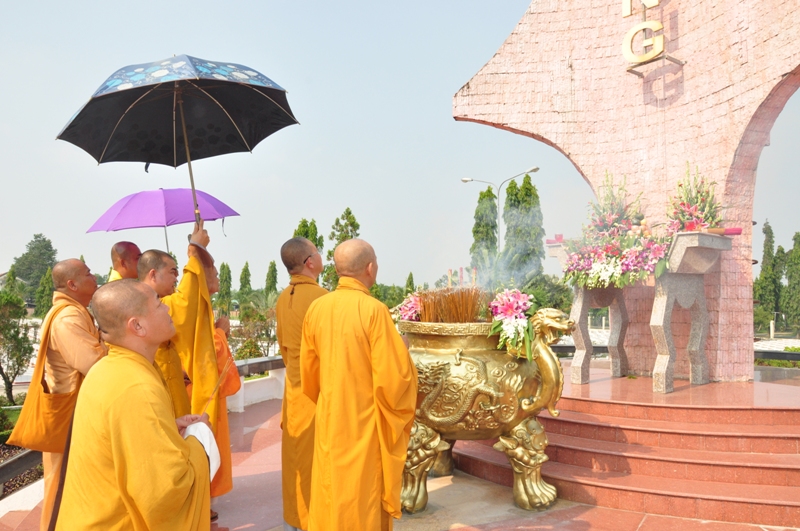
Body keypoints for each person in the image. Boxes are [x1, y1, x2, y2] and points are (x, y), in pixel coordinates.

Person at [55, 280, 219, 531]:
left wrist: (166, 428)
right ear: (137, 326)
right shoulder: (136, 387)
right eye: (158, 304)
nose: (167, 308)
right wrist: (200, 439)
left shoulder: (106, 368)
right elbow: (166, 493)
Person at [300, 239, 417, 531]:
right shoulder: (374, 310)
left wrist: (332, 399)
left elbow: (309, 375)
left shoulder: (316, 308)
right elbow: (394, 381)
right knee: (361, 497)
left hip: (330, 421)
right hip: (363, 425)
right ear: (370, 268)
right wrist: (403, 351)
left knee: (330, 492)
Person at [8, 259, 107, 531]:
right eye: (88, 273)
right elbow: (93, 363)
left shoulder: (76, 312)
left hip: (77, 413)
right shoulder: (67, 318)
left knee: (77, 484)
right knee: (62, 487)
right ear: (72, 284)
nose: (94, 276)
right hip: (70, 415)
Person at [138, 221, 219, 433]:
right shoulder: (144, 305)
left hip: (173, 383)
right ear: (153, 274)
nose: (176, 278)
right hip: (155, 387)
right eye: (173, 272)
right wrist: (195, 251)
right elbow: (185, 303)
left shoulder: (160, 301)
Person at [276, 237, 327, 531]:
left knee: (294, 464)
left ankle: (294, 522)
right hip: (315, 394)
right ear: (310, 262)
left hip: (292, 393)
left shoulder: (284, 297)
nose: (321, 257)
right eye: (317, 252)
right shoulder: (322, 299)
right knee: (315, 466)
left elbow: (284, 348)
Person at [204, 265, 241, 500]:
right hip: (199, 388)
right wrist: (220, 332)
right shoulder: (197, 309)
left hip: (208, 387)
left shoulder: (205, 306)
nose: (218, 277)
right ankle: (203, 499)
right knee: (204, 441)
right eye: (215, 274)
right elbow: (205, 352)